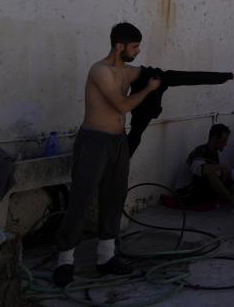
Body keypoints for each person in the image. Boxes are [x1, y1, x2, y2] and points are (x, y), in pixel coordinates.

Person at [53, 23, 163, 287]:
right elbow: (122, 105)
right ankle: (65, 261)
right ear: (119, 46)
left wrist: (162, 78)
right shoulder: (100, 70)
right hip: (94, 141)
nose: (138, 51)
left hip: (118, 142)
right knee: (81, 199)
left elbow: (155, 75)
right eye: (135, 47)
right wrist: (149, 89)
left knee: (114, 198)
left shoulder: (128, 71)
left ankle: (106, 257)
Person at [179, 124, 234, 208]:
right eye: (223, 141)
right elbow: (202, 170)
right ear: (214, 138)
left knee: (230, 175)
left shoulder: (214, 153)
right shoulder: (200, 151)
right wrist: (221, 166)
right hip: (186, 191)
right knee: (210, 173)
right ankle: (231, 200)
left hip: (200, 189)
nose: (225, 144)